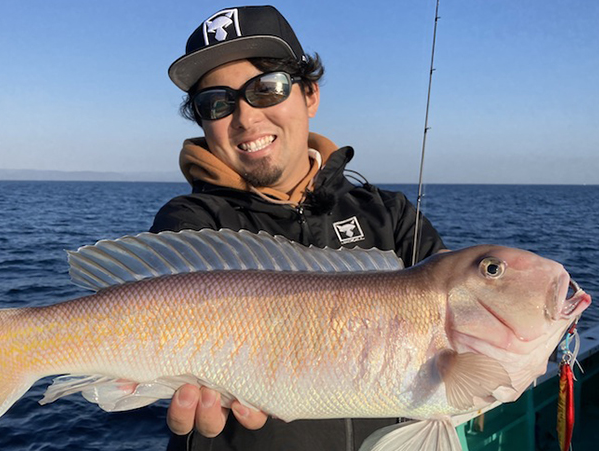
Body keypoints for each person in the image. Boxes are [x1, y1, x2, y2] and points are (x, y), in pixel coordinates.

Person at [150, 5, 446, 450]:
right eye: (216, 102)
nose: (246, 117)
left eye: (266, 89)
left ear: (309, 95)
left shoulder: (392, 216)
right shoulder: (190, 226)